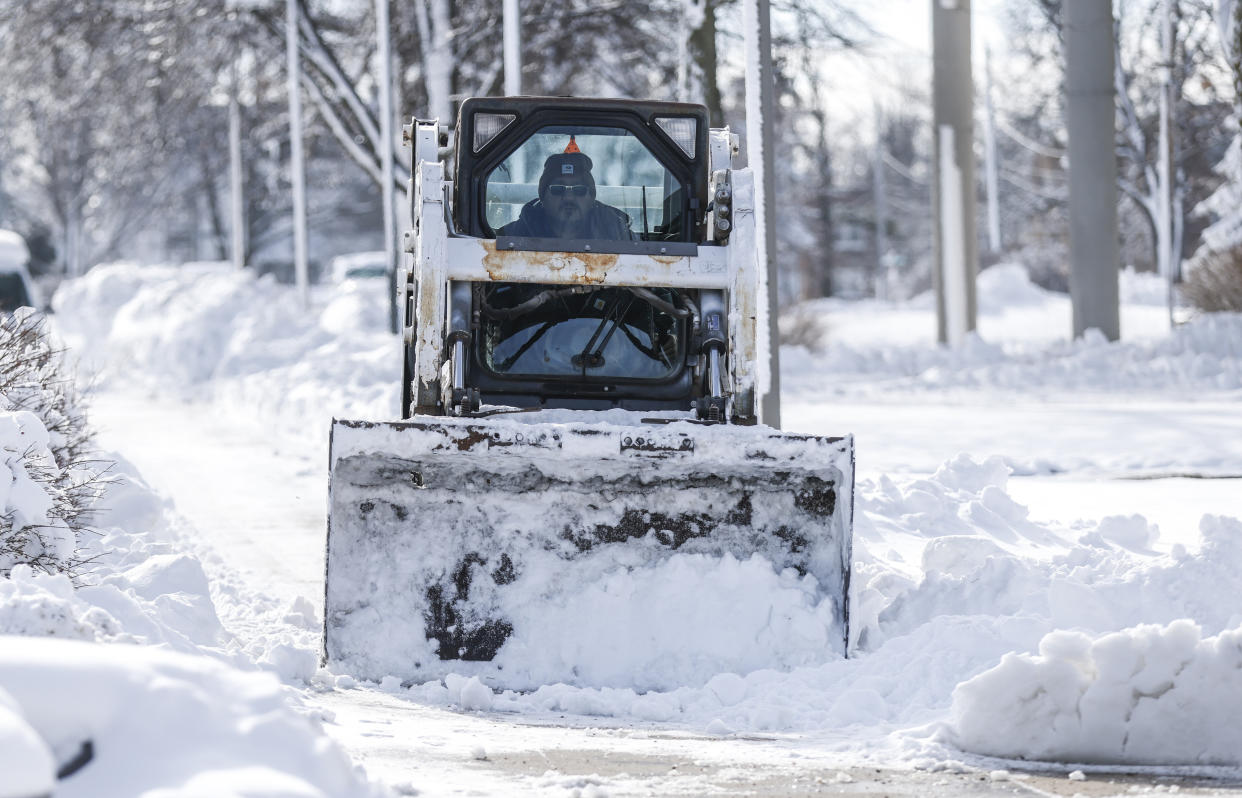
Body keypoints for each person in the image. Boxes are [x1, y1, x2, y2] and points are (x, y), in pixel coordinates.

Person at [498, 138, 636, 241]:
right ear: (543, 197)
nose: (569, 197)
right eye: (558, 189)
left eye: (579, 189)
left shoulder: (620, 236)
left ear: (591, 198)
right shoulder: (510, 238)